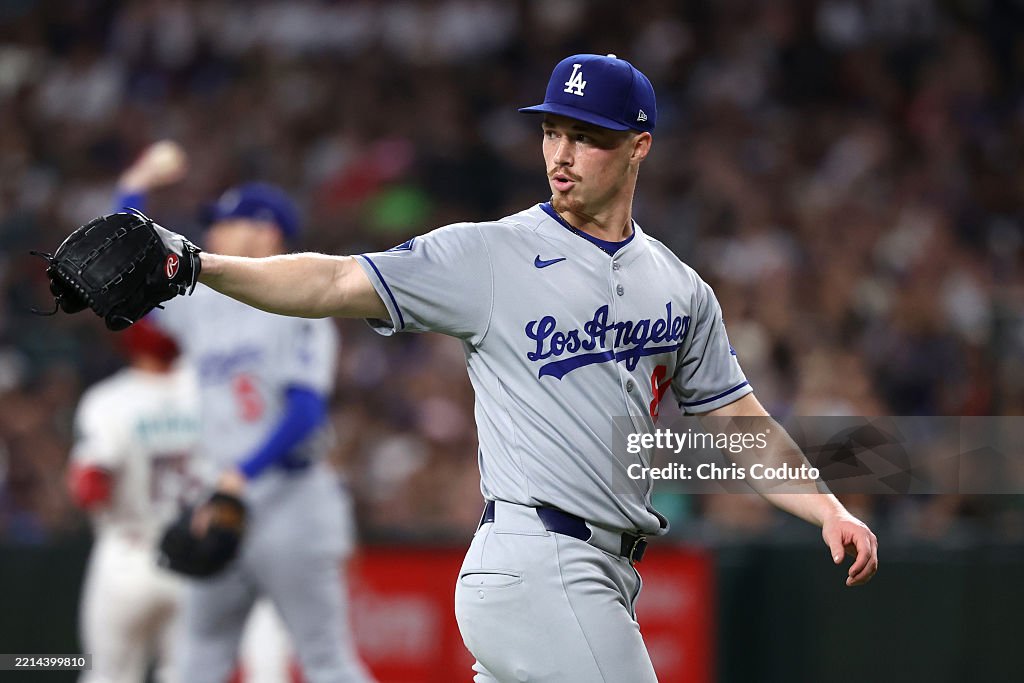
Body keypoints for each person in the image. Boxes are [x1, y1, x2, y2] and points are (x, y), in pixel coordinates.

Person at [121, 55, 879, 681]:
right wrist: (199, 264)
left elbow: (736, 422)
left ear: (639, 146)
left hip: (593, 572)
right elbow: (334, 281)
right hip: (539, 558)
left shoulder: (679, 286)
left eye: (586, 136)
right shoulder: (489, 255)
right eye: (552, 130)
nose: (561, 153)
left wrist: (826, 507)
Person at [113, 145, 374, 683]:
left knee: (326, 661)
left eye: (226, 224)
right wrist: (135, 184)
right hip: (222, 502)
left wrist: (239, 476)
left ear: (266, 232)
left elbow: (305, 413)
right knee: (195, 663)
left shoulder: (304, 306)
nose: (212, 235)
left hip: (292, 501)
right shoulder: (201, 306)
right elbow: (128, 258)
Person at [68, 319, 201, 683]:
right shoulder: (206, 387)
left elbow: (89, 486)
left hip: (128, 555)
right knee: (185, 675)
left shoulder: (110, 400)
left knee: (108, 676)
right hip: (193, 558)